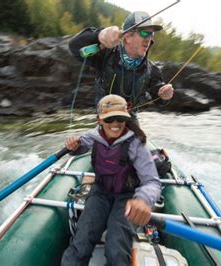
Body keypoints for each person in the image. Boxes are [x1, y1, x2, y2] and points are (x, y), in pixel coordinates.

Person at [61, 94, 161, 266]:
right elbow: (80, 146)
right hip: (100, 192)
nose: (115, 124)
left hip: (127, 198)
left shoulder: (136, 144)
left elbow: (152, 182)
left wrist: (142, 200)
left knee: (116, 248)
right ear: (99, 120)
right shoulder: (93, 136)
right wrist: (73, 147)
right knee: (82, 241)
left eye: (120, 118)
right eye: (109, 119)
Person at [69, 11, 174, 123]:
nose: (149, 39)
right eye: (144, 33)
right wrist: (99, 35)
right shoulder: (105, 54)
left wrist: (164, 95)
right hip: (105, 121)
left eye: (151, 34)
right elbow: (74, 47)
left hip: (130, 122)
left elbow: (159, 98)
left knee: (141, 139)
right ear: (128, 37)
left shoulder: (152, 69)